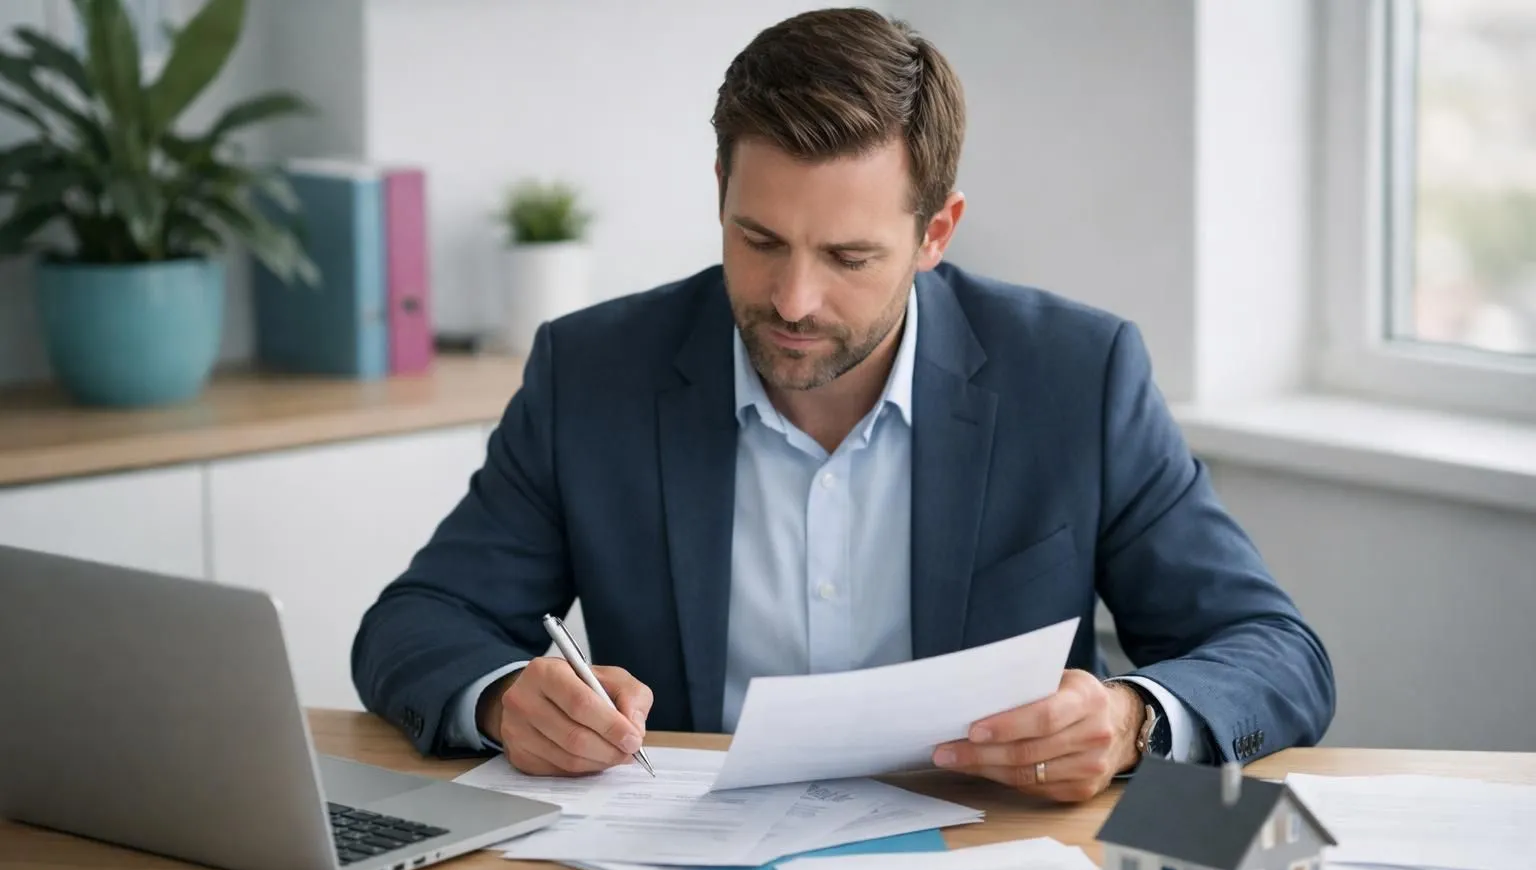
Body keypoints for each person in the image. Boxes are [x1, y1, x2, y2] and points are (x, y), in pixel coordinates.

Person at [351, 7, 1333, 803]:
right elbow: (418, 622)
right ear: (720, 191)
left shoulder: (1076, 376)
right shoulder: (594, 372)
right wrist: (504, 699)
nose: (792, 300)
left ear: (936, 232)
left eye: (849, 256)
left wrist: (1130, 720)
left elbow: (1274, 652)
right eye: (760, 240)